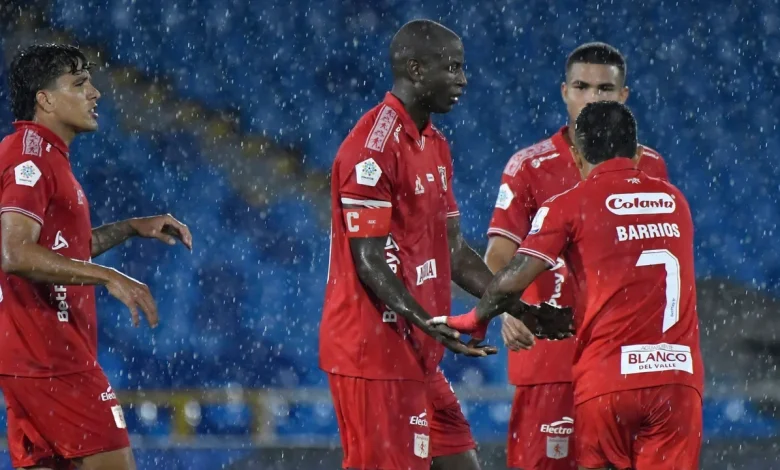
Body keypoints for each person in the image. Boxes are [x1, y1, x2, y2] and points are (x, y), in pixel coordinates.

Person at [318, 19, 560, 470]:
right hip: (375, 355)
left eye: (463, 68)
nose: (463, 80)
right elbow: (368, 260)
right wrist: (428, 321)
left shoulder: (435, 144)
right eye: (452, 67)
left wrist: (516, 307)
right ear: (414, 69)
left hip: (417, 353)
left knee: (462, 463)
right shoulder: (372, 148)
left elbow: (453, 251)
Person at [435, 101, 703, 470]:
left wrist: (477, 318)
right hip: (676, 378)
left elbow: (509, 280)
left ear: (577, 157)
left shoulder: (568, 204)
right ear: (639, 153)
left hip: (609, 381)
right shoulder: (676, 201)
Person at [0, 44, 192, 470]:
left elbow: (57, 253)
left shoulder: (45, 154)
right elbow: (14, 252)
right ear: (45, 99)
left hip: (34, 358)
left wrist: (129, 228)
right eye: (80, 84)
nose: (96, 93)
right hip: (53, 360)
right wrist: (107, 276)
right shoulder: (30, 154)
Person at [483, 42, 669, 470]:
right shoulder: (529, 167)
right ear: (565, 92)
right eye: (582, 87)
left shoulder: (651, 166)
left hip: (628, 363)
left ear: (623, 97)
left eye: (604, 89)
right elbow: (498, 255)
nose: (592, 98)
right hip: (552, 360)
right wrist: (511, 308)